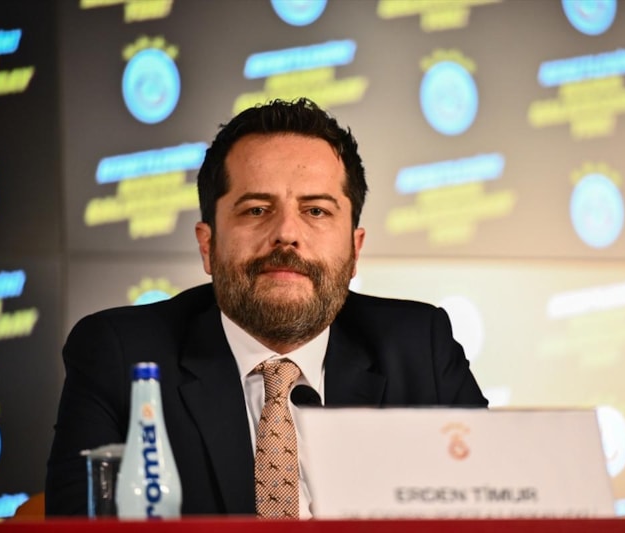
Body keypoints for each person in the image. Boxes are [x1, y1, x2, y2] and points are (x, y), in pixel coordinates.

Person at [45, 98, 488, 517]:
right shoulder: (121, 355)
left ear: (355, 250)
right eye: (257, 210)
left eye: (316, 211)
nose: (286, 234)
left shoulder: (420, 348)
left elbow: (494, 511)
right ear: (207, 245)